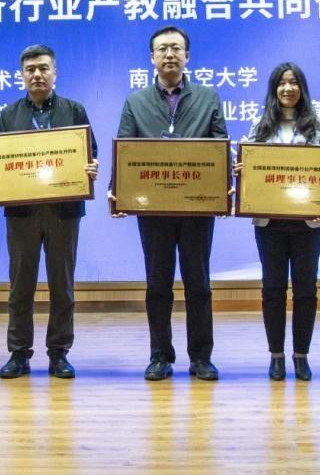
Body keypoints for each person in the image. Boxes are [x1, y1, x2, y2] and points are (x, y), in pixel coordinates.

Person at [110, 26, 226, 381]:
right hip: (154, 210)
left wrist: (223, 191)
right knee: (157, 285)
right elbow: (125, 150)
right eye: (162, 49)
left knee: (198, 284)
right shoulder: (136, 101)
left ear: (187, 56)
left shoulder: (208, 97)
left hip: (196, 209)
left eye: (176, 48)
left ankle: (201, 357)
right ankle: (160, 355)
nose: (169, 54)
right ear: (152, 58)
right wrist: (118, 192)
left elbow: (220, 145)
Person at [0, 44, 99, 379]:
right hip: (22, 215)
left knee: (62, 287)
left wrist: (91, 168)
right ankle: (19, 353)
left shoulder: (74, 110)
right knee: (20, 286)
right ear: (22, 75)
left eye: (44, 68)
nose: (37, 75)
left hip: (64, 212)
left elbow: (91, 152)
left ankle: (59, 353)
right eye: (30, 69)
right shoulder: (10, 114)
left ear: (55, 73)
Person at [237, 62, 320, 382]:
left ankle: (301, 355)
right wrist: (242, 171)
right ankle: (276, 355)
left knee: (306, 291)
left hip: (308, 224)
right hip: (270, 223)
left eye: (294, 83)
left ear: (302, 88)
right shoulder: (259, 125)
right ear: (273, 89)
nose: (288, 88)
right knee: (273, 290)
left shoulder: (319, 125)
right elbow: (248, 169)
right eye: (282, 83)